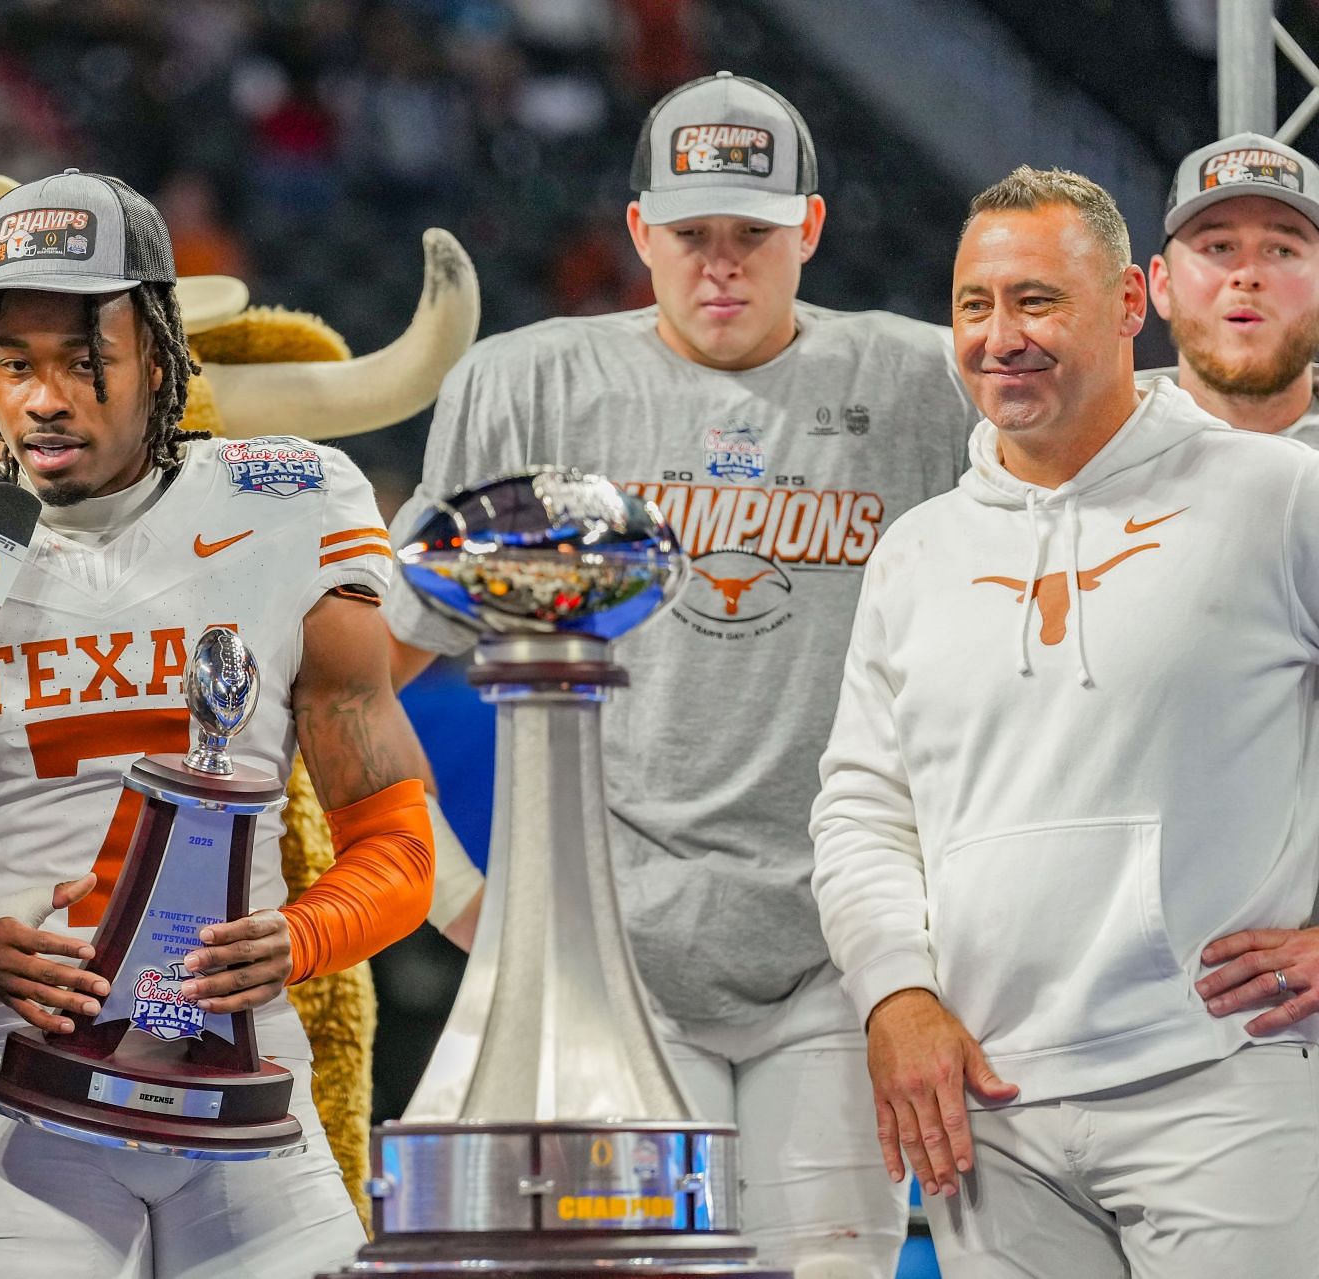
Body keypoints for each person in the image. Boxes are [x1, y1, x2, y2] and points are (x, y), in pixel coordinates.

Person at [383, 70, 977, 1275]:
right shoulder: (529, 383)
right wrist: (452, 895)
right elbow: (367, 674)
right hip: (609, 949)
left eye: (751, 235)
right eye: (691, 233)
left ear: (808, 230)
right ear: (638, 229)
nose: (720, 265)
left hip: (838, 949)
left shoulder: (932, 386)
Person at [0, 168, 436, 1279]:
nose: (44, 398)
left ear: (158, 353)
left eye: (81, 359)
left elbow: (397, 844)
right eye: (14, 364)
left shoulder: (289, 501)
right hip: (25, 1079)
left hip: (246, 1059)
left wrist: (298, 936)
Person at [810, 166, 1319, 1277]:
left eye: (1038, 300)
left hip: (1228, 1080)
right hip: (988, 1106)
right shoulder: (917, 553)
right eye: (975, 305)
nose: (1002, 337)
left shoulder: (1280, 497)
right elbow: (860, 809)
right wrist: (893, 993)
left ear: (1132, 304)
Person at [1148, 132, 1319, 444]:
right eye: (1219, 247)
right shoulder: (1078, 454)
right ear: (1162, 285)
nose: (1248, 274)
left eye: (1282, 250)